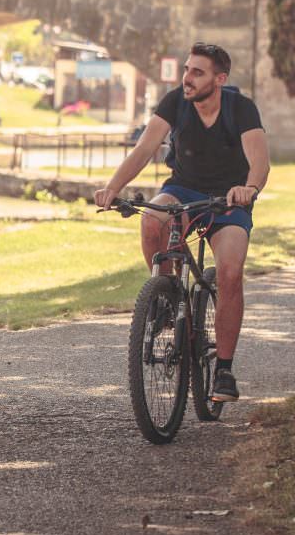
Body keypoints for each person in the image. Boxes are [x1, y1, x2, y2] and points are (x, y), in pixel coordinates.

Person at [93, 42, 270, 402]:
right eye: (187, 70)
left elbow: (259, 161)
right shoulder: (175, 102)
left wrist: (248, 188)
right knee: (152, 221)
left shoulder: (241, 108)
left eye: (198, 72)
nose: (188, 78)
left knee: (230, 272)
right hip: (183, 189)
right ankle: (166, 297)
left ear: (219, 79)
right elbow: (144, 149)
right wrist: (113, 187)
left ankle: (223, 369)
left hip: (228, 199)